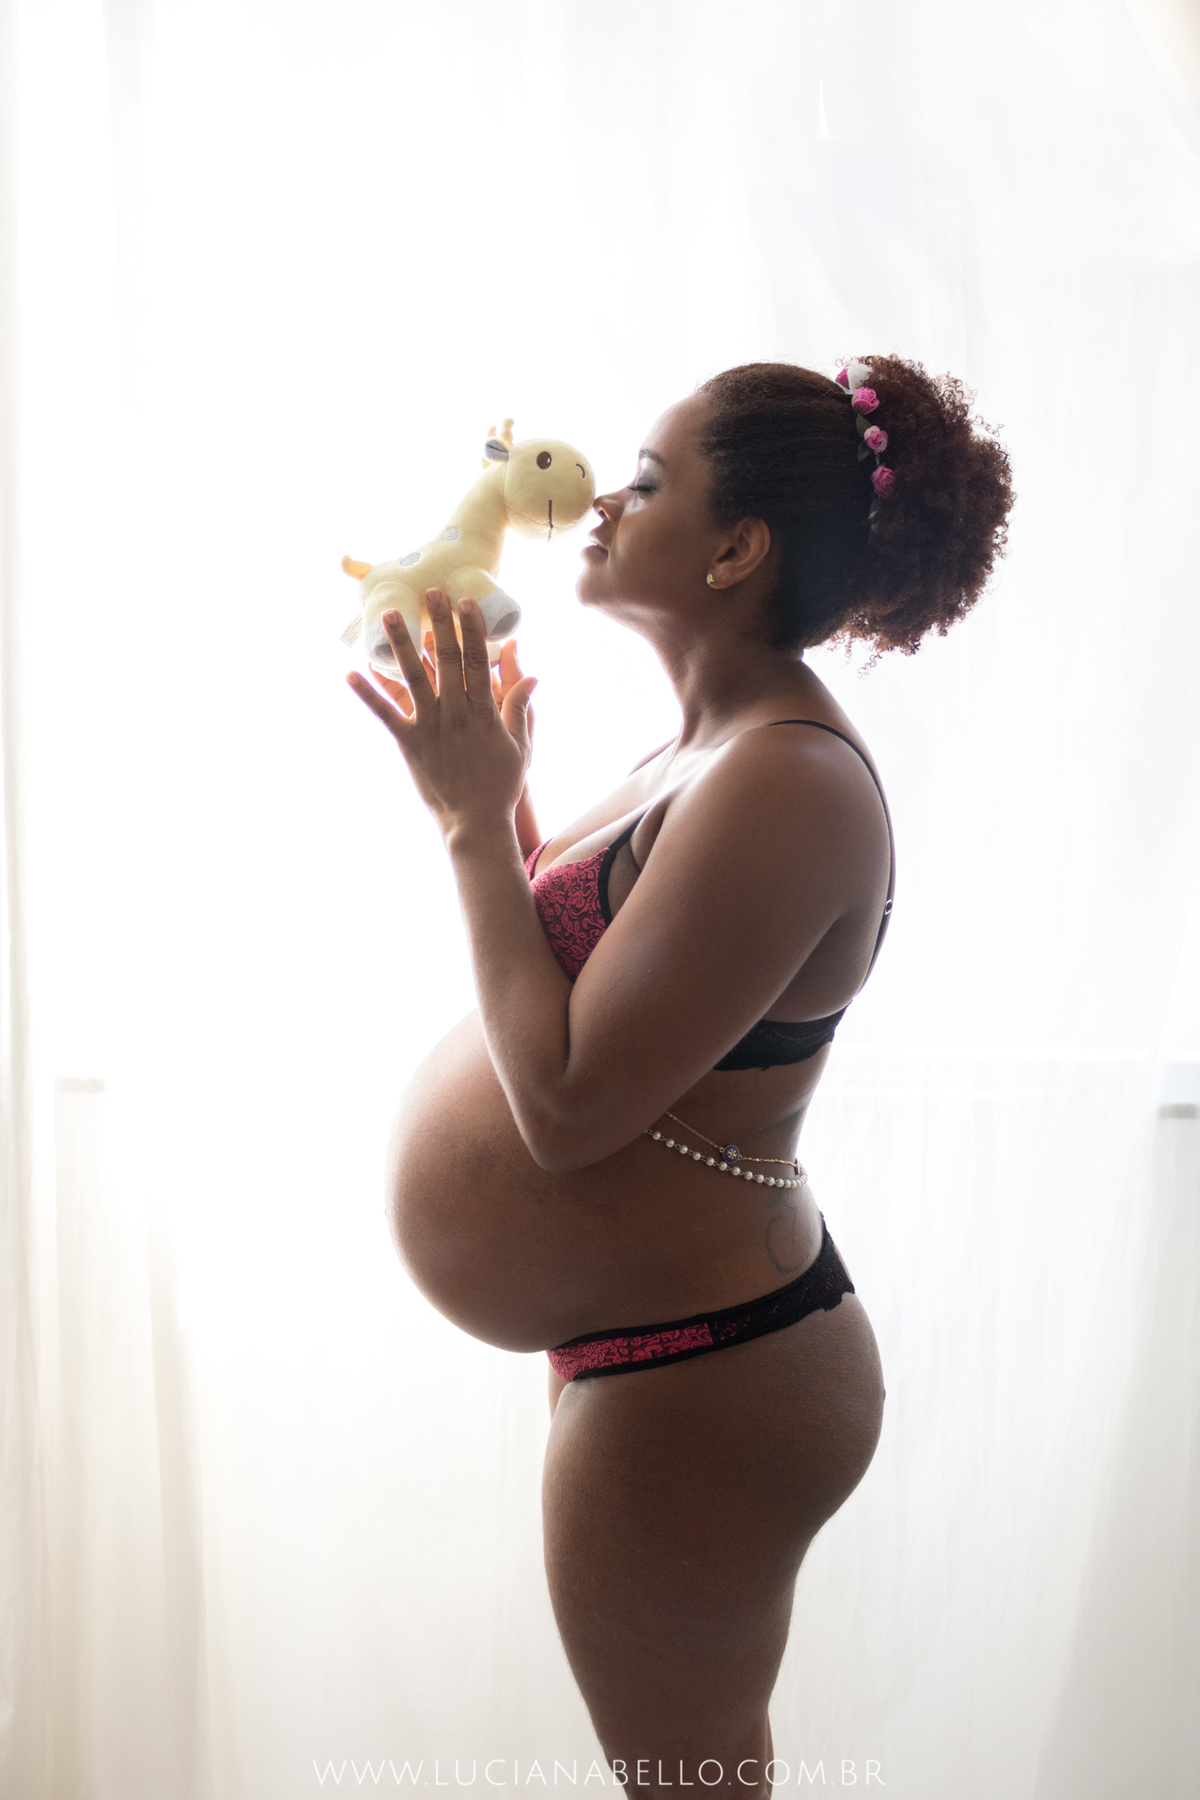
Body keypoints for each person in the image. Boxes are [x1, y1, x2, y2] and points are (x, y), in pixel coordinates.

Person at [348, 359, 1013, 1790]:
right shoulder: (711, 747)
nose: (601, 499)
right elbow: (593, 991)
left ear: (736, 548)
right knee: (696, 1777)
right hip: (656, 1345)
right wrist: (494, 797)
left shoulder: (788, 781)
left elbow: (570, 1108)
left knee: (689, 1784)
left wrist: (471, 831)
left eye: (649, 481)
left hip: (707, 1369)